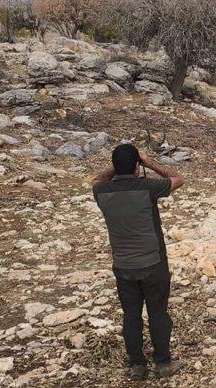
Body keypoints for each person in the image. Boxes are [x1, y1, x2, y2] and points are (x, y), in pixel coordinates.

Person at [91, 143, 185, 381]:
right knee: (158, 314)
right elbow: (177, 179)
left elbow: (96, 179)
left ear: (115, 166)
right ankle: (162, 363)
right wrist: (148, 162)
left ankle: (137, 366)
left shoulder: (101, 192)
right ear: (136, 166)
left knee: (131, 316)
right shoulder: (147, 187)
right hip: (153, 263)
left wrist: (117, 167)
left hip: (123, 266)